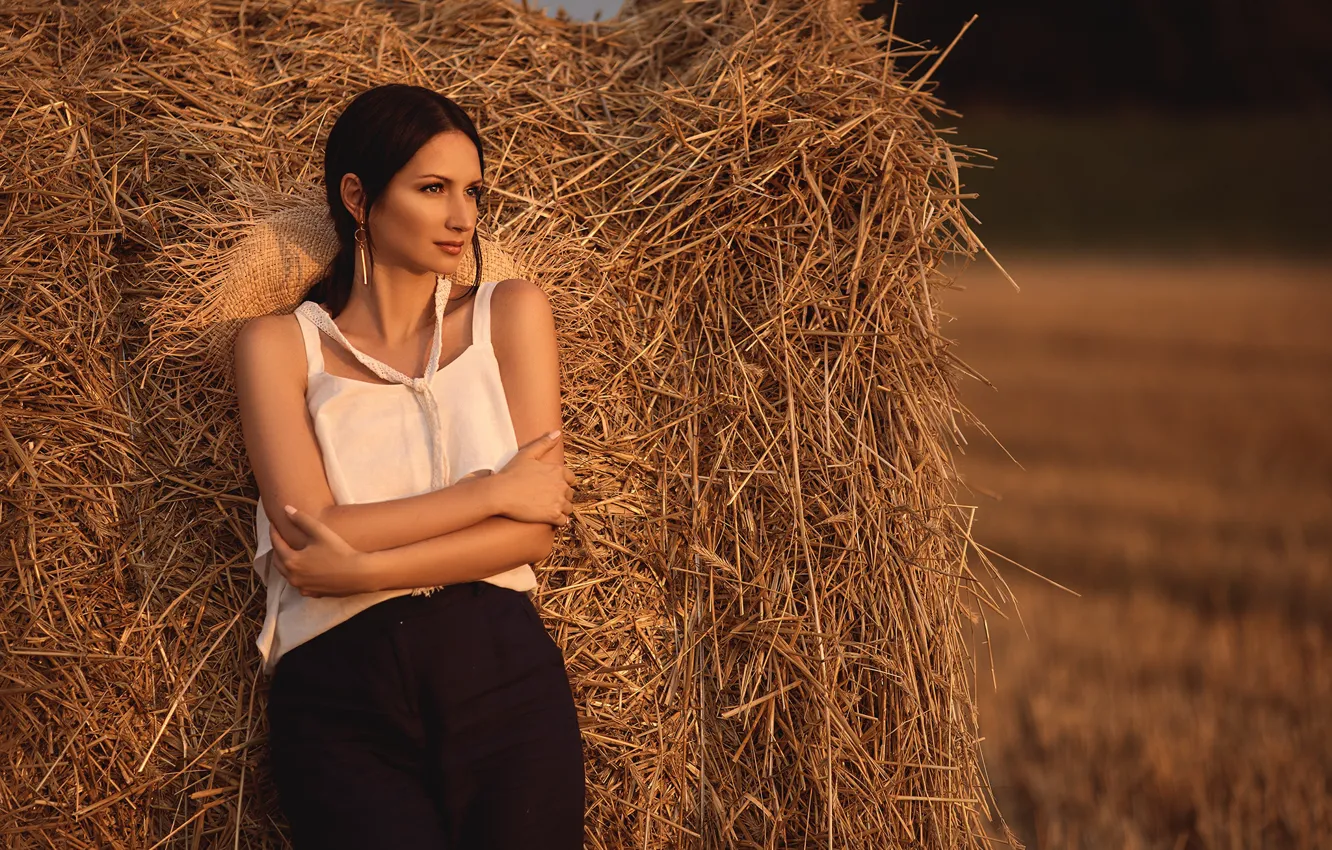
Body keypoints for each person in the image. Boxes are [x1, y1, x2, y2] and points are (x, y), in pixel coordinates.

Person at [232, 83, 585, 848]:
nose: (463, 217)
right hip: (339, 695)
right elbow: (309, 530)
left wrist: (359, 570)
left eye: (472, 191)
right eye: (432, 189)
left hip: (501, 674)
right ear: (357, 197)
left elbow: (531, 537)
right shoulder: (275, 347)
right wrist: (491, 491)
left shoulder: (511, 313)